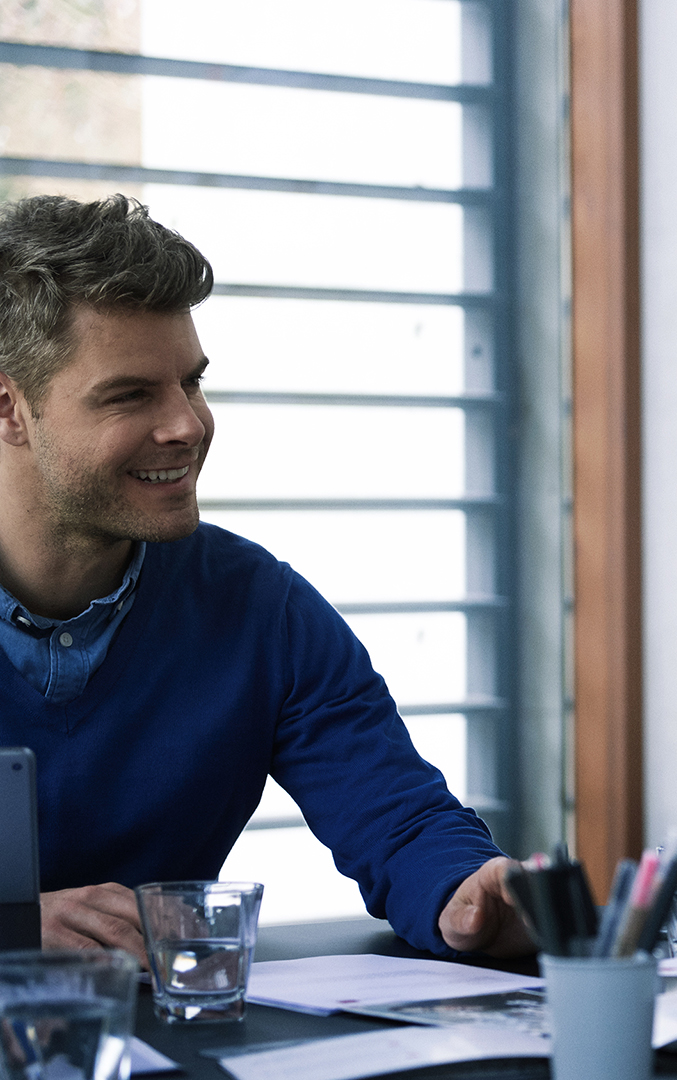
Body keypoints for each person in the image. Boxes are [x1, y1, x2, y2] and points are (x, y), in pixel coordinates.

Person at [0, 194, 532, 962]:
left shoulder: (259, 611)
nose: (187, 424)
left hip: (172, 1027)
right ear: (10, 408)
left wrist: (467, 893)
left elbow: (400, 820)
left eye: (191, 382)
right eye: (130, 395)